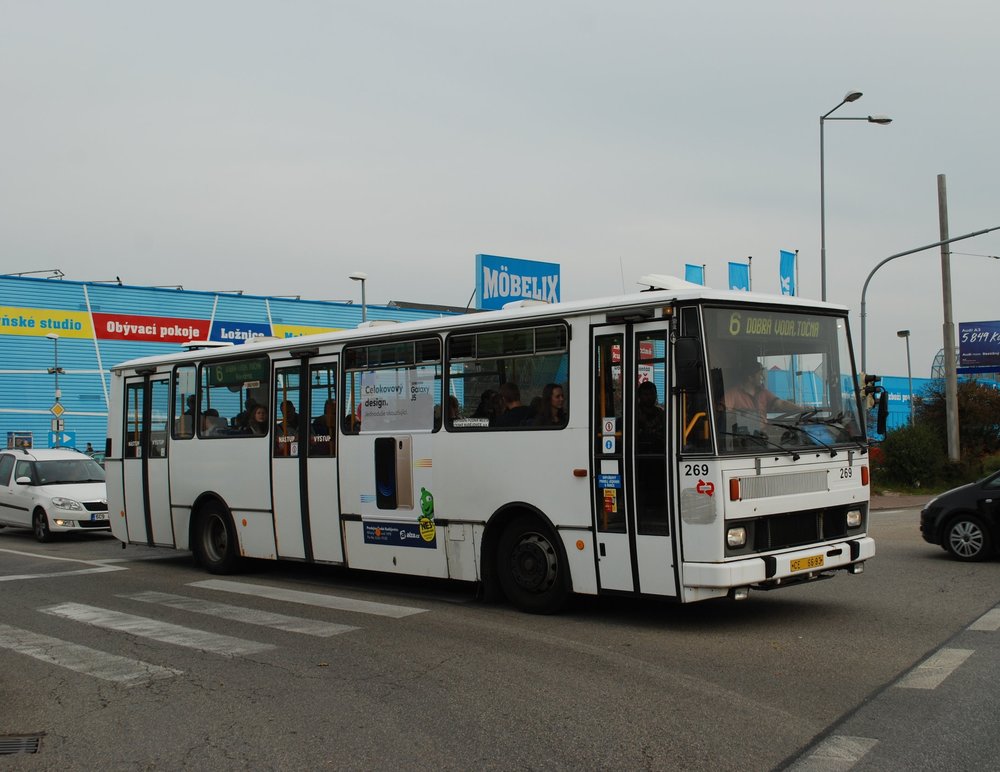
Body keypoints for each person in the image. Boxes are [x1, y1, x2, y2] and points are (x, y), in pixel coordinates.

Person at [723, 360, 799, 423]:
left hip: (762, 437)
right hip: (742, 437)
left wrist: (800, 409)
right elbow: (721, 412)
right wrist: (742, 415)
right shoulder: (733, 394)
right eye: (760, 375)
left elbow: (781, 403)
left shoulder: (764, 393)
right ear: (750, 378)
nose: (762, 377)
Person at [635, 381, 665, 450]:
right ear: (639, 396)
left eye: (652, 394)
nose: (649, 397)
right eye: (646, 394)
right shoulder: (633, 414)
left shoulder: (661, 413)